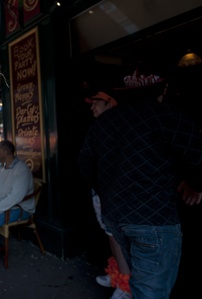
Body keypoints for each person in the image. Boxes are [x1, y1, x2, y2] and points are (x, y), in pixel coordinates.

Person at [78, 68, 202, 298]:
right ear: (162, 90)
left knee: (141, 282)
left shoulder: (104, 123)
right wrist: (194, 183)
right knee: (148, 291)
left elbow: (85, 165)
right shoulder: (167, 115)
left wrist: (110, 188)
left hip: (116, 216)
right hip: (153, 219)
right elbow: (198, 154)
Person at [84, 91, 131, 299]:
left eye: (97, 103)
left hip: (115, 192)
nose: (92, 107)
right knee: (110, 235)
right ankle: (117, 275)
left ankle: (126, 285)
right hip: (102, 190)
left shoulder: (120, 126)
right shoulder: (101, 127)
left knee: (119, 236)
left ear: (110, 104)